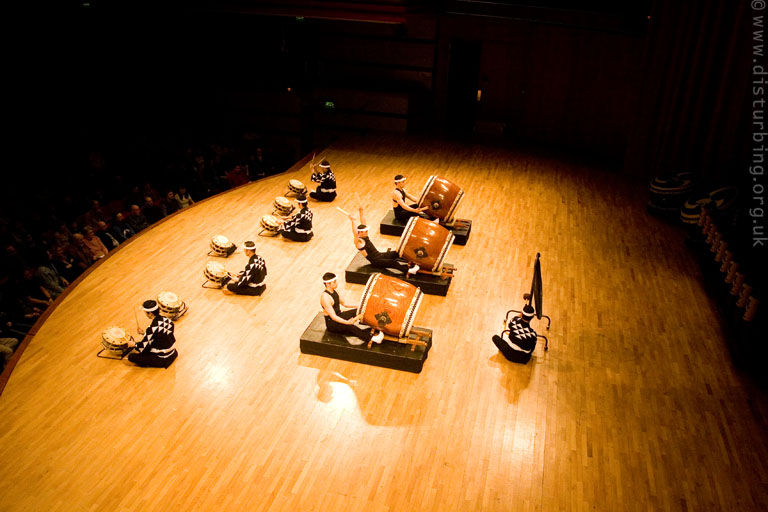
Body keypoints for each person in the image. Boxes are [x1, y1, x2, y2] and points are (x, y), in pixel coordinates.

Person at [348, 206, 418, 275]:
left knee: (396, 253)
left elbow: (363, 223)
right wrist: (352, 221)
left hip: (379, 255)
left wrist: (361, 212)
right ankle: (409, 271)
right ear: (360, 232)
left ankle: (412, 262)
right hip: (376, 261)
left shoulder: (364, 235)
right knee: (393, 263)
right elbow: (355, 233)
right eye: (365, 231)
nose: (367, 232)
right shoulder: (359, 242)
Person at [320, 272, 383, 345]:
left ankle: (374, 324)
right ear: (327, 284)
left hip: (339, 315)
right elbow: (333, 317)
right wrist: (347, 322)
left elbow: (345, 303)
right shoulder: (325, 298)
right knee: (350, 327)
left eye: (335, 281)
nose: (336, 283)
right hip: (332, 324)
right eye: (334, 282)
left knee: (358, 311)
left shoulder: (335, 291)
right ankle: (372, 338)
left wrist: (361, 305)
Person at [128, 299, 178, 368]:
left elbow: (143, 348)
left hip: (163, 359)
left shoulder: (151, 329)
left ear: (150, 314)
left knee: (131, 356)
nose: (145, 314)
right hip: (173, 353)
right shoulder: (168, 320)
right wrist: (145, 333)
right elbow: (161, 336)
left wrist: (134, 344)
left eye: (146, 313)